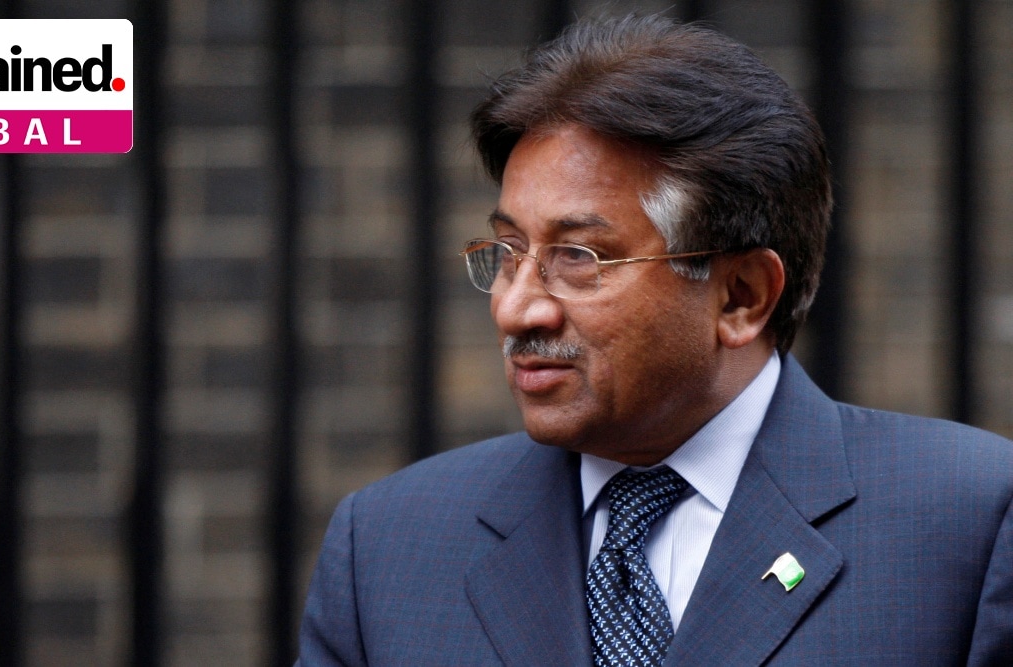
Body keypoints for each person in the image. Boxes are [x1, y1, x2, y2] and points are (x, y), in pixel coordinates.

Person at [297, 13, 1013, 666]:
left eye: (579, 257)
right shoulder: (391, 546)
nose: (517, 309)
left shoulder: (966, 522)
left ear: (741, 296)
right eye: (509, 250)